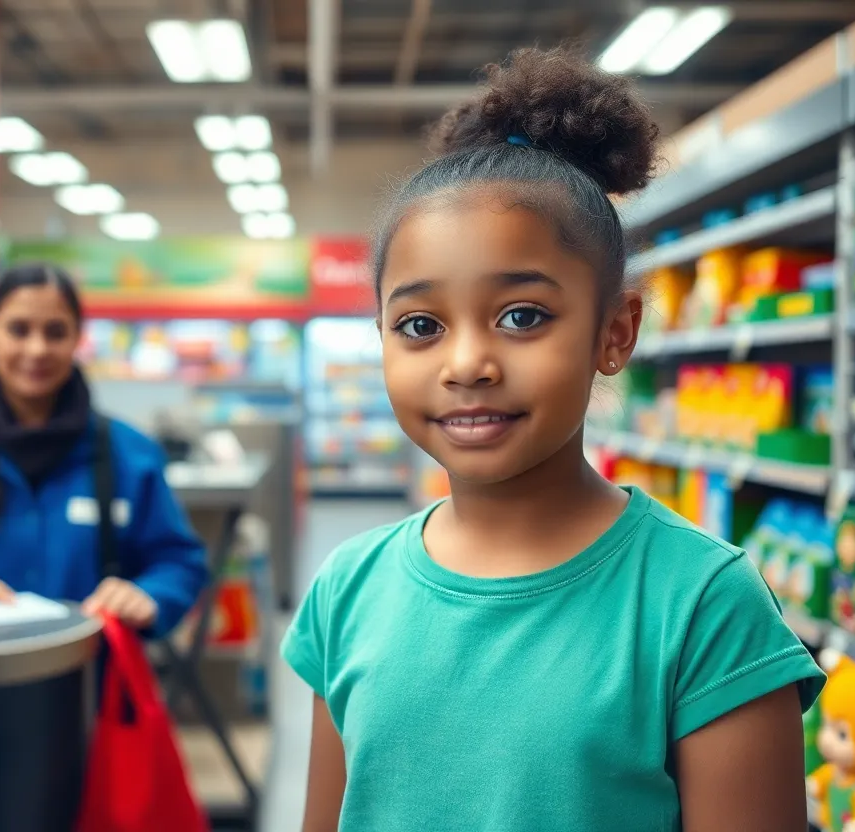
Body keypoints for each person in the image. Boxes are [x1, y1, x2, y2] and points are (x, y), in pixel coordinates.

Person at [282, 48, 825, 832]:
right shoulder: (346, 591)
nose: (467, 363)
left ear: (615, 332)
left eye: (522, 316)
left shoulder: (702, 604)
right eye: (421, 326)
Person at [0, 263, 209, 636]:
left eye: (56, 332)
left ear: (78, 339)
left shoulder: (130, 455)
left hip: (91, 684)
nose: (37, 348)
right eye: (18, 329)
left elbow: (181, 563)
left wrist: (148, 595)